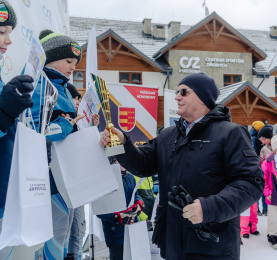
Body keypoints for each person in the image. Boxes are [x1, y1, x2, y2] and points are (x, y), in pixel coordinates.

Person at [100, 72, 264, 260]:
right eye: (177, 92)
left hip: (211, 246)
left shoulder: (231, 134)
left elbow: (251, 183)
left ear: (203, 98)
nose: (177, 97)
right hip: (172, 244)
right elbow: (142, 165)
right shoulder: (168, 135)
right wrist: (123, 144)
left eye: (184, 92)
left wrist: (208, 208)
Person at [31, 29, 84, 260]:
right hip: (48, 173)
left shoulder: (59, 86)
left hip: (64, 172)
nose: (73, 67)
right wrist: (66, 126)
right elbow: (33, 130)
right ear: (50, 57)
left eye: (75, 62)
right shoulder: (41, 85)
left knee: (63, 230)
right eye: (69, 61)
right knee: (56, 231)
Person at [0, 1, 34, 259]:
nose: (9, 40)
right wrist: (2, 111)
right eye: (2, 31)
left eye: (10, 32)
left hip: (3, 197)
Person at [64, 83, 100, 260]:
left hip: (78, 183)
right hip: (64, 183)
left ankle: (75, 256)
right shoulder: (63, 118)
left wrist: (93, 129)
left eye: (79, 99)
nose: (77, 102)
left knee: (79, 226)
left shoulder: (80, 121)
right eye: (75, 98)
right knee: (64, 226)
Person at [97, 157, 144, 260]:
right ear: (114, 161)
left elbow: (135, 194)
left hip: (132, 230)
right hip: (115, 234)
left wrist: (139, 203)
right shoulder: (105, 180)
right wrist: (116, 217)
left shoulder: (130, 177)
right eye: (121, 159)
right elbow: (99, 208)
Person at [258, 125, 274, 216]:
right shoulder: (264, 149)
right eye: (261, 141)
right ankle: (265, 208)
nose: (263, 142)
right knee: (266, 192)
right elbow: (261, 162)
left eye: (264, 140)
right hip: (268, 175)